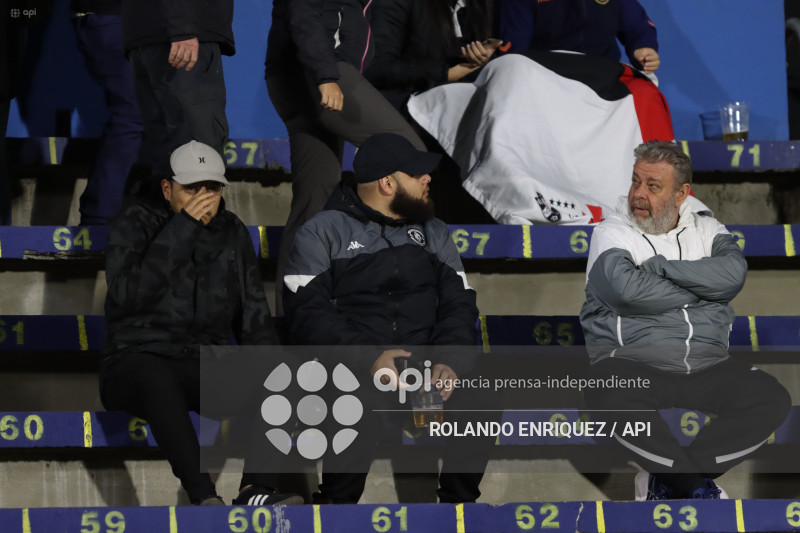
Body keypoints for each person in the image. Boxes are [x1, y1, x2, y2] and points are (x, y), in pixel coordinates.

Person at [283, 133, 493, 504]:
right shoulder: (322, 230)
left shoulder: (434, 231)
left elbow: (459, 305)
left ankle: (458, 508)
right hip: (357, 366)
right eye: (417, 174)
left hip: (425, 368)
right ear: (387, 183)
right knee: (350, 392)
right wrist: (370, 358)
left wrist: (449, 361)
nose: (427, 179)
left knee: (486, 387)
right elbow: (307, 314)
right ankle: (335, 508)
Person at [580, 140, 791, 500]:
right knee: (607, 391)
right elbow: (628, 291)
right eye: (635, 181)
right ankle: (693, 487)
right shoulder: (611, 232)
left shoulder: (708, 230)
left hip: (706, 364)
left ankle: (665, 482)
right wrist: (705, 291)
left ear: (682, 194)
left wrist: (659, 270)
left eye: (653, 186)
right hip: (632, 363)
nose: (638, 194)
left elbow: (733, 274)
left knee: (770, 398)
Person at [100, 140, 301, 506]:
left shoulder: (231, 231)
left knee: (283, 373)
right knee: (154, 374)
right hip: (134, 360)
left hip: (202, 364)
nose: (203, 196)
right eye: (192, 188)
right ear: (168, 188)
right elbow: (125, 298)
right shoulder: (135, 221)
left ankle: (255, 490)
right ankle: (203, 496)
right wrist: (183, 228)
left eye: (211, 187)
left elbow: (253, 315)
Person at [265, 0, 426, 315]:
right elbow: (304, 10)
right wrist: (325, 74)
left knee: (314, 200)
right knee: (410, 154)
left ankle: (292, 317)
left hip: (301, 73)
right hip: (321, 71)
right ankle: (400, 290)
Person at [120, 0, 232, 178]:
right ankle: (197, 206)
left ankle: (169, 206)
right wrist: (182, 26)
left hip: (145, 36)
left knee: (166, 152)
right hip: (181, 34)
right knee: (199, 153)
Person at [71, 0, 142, 225]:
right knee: (132, 115)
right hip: (113, 16)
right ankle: (97, 220)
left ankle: (102, 217)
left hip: (124, 18)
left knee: (145, 115)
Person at [365, 0, 500, 112]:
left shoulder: (479, 6)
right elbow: (378, 67)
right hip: (411, 108)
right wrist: (449, 73)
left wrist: (483, 59)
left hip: (466, 104)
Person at [497, 0, 661, 74]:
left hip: (601, 75)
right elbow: (515, 51)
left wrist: (643, 48)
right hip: (544, 77)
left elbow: (638, 26)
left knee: (646, 91)